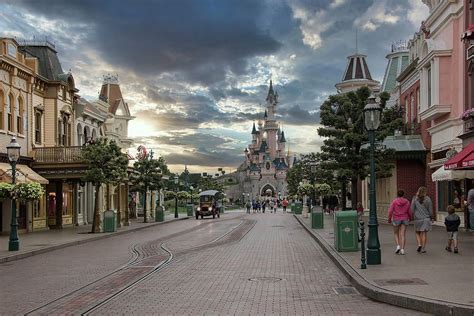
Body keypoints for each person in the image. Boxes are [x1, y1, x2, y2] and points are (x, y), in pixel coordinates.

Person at [388, 190, 412, 255]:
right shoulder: (407, 202)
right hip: (405, 218)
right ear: (403, 195)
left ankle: (398, 246)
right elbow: (409, 211)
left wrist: (389, 219)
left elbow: (390, 211)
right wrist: (410, 218)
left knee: (396, 233)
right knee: (402, 234)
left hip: (396, 218)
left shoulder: (394, 201)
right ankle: (402, 249)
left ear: (397, 194)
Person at [411, 186, 434, 253]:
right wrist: (432, 217)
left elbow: (412, 210)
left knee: (417, 232)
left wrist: (413, 215)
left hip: (417, 218)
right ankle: (423, 248)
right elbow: (430, 210)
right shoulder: (428, 199)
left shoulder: (414, 198)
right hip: (426, 219)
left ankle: (419, 244)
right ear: (425, 192)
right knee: (424, 233)